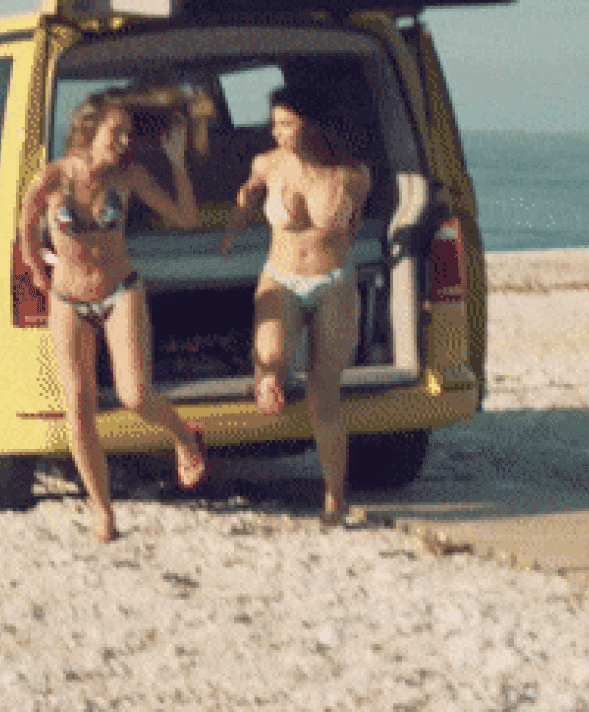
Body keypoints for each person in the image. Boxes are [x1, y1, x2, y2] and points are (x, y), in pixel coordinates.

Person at [18, 89, 210, 543]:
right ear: (89, 130)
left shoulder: (129, 178)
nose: (124, 141)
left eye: (127, 133)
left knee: (134, 394)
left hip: (120, 290)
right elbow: (24, 224)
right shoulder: (52, 178)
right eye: (115, 132)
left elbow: (186, 218)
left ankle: (185, 437)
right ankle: (102, 510)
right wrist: (36, 270)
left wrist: (178, 164)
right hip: (67, 300)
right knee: (78, 406)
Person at [219, 86, 372, 525]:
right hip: (281, 277)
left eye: (287, 124)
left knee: (325, 395)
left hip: (334, 281)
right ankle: (267, 377)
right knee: (272, 359)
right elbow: (248, 196)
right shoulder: (267, 165)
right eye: (275, 124)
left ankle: (334, 498)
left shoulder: (352, 175)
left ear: (313, 124)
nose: (277, 132)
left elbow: (353, 227)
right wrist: (237, 219)